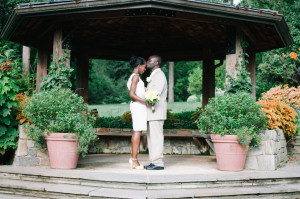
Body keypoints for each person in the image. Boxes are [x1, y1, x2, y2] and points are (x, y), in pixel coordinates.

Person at [144, 55, 168, 170]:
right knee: (151, 138)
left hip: (156, 111)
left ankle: (158, 163)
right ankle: (154, 161)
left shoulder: (159, 75)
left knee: (156, 138)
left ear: (157, 62)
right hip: (152, 113)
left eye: (150, 60)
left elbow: (155, 94)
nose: (147, 62)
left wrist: (144, 95)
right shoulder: (154, 75)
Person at [127, 56, 147, 170]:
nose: (145, 69)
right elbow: (132, 94)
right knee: (137, 131)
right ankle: (134, 160)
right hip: (138, 106)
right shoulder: (135, 77)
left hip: (138, 106)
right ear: (139, 66)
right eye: (144, 67)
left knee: (137, 131)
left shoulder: (133, 76)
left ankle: (134, 159)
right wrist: (146, 102)